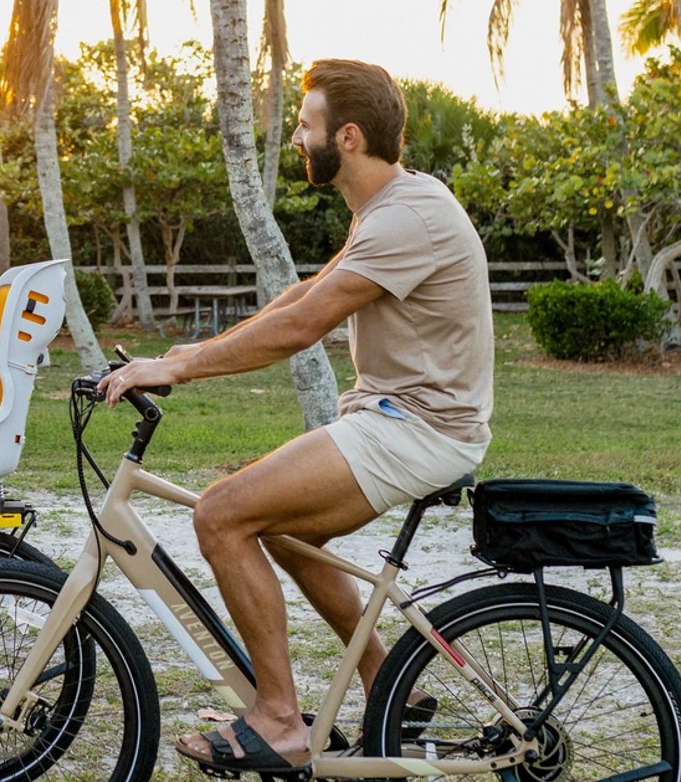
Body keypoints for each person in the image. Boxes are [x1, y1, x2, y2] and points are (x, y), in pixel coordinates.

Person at [98, 59, 495, 773]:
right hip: (397, 420)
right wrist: (198, 347)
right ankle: (386, 689)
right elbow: (310, 291)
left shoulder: (406, 216)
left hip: (415, 429)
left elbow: (302, 325)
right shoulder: (393, 204)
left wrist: (179, 368)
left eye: (305, 125)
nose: (294, 138)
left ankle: (278, 720)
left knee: (221, 514)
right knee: (272, 522)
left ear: (345, 137)